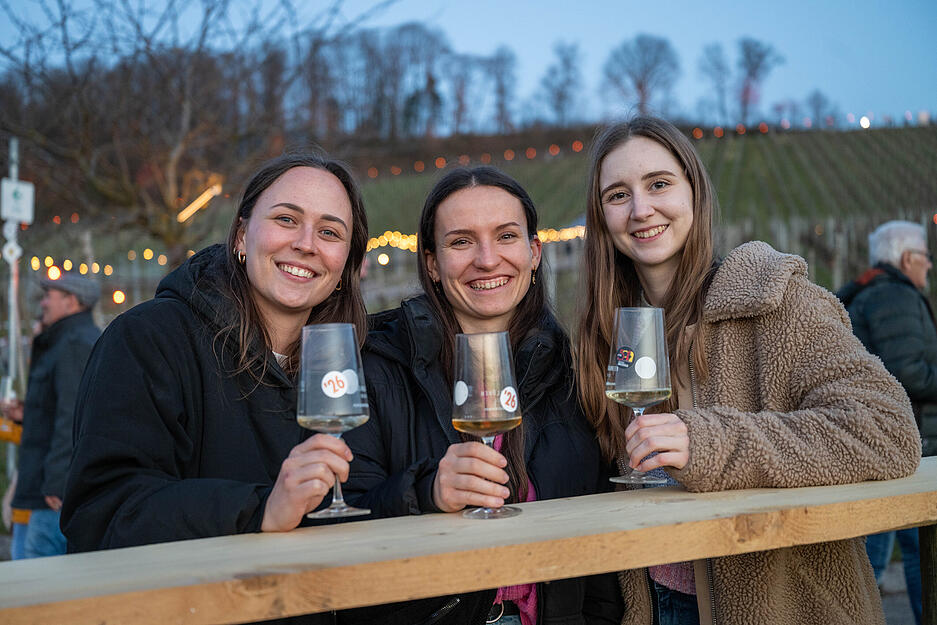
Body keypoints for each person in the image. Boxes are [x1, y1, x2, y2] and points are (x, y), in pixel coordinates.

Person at [575, 117, 921, 625]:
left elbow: (888, 430)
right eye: (617, 194)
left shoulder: (774, 300)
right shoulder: (605, 336)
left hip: (784, 609)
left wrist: (709, 444)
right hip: (656, 603)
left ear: (695, 191)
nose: (641, 209)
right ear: (601, 214)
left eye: (659, 184)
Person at [340, 167, 623, 625]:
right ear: (431, 262)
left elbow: (601, 544)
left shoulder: (572, 371)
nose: (488, 259)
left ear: (534, 253)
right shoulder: (376, 363)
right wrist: (425, 491)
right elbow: (339, 517)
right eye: (461, 241)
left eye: (506, 236)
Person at [62, 152, 368, 568]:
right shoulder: (149, 339)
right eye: (285, 219)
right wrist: (260, 510)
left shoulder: (352, 365)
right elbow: (103, 515)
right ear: (241, 235)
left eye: (330, 232)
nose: (306, 244)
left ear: (346, 263)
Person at [837, 219, 936, 625]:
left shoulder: (867, 291)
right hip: (905, 444)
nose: (929, 266)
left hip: (880, 444)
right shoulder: (895, 297)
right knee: (889, 555)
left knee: (880, 552)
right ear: (908, 258)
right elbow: (907, 373)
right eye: (926, 258)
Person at [2, 272, 101, 558]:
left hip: (55, 492)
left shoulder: (72, 343)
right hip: (53, 483)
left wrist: (60, 479)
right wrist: (26, 414)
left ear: (72, 302)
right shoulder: (67, 339)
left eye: (49, 296)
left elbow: (74, 415)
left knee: (39, 574)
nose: (43, 303)